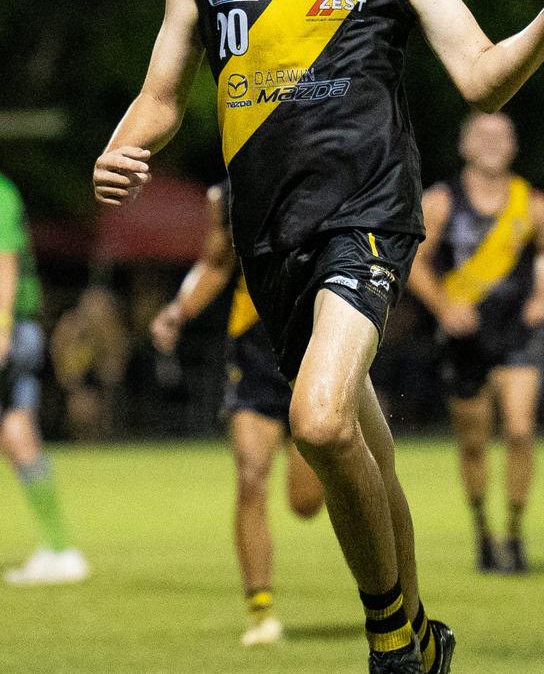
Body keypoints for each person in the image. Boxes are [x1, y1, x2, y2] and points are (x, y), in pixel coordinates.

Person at [92, 0, 544, 673]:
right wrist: (125, 147)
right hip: (268, 239)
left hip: (368, 215)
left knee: (316, 421)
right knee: (362, 440)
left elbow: (481, 77)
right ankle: (419, 637)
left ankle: (394, 637)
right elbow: (162, 93)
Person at [149, 182, 324, 646]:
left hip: (316, 350)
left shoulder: (323, 171)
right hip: (253, 354)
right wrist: (177, 311)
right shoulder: (225, 195)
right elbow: (216, 263)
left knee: (305, 504)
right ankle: (261, 611)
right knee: (251, 476)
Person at [408, 112, 544, 574]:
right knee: (474, 442)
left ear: (514, 145)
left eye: (502, 135)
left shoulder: (535, 205)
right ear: (465, 145)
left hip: (519, 331)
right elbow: (413, 262)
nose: (492, 143)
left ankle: (515, 533)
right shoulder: (440, 202)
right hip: (464, 336)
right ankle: (483, 529)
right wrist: (443, 308)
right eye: (482, 135)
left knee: (519, 430)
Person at [0, 171, 89, 585]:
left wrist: (1, 328)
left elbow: (5, 260)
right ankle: (58, 547)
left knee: (15, 428)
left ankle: (59, 548)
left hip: (9, 327)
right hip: (18, 328)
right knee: (16, 430)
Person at [50, 286, 130, 441]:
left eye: (101, 307)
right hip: (77, 382)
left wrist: (103, 338)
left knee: (96, 410)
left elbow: (114, 370)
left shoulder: (112, 330)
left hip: (103, 385)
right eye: (91, 306)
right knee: (80, 408)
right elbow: (62, 361)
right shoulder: (70, 325)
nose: (95, 312)